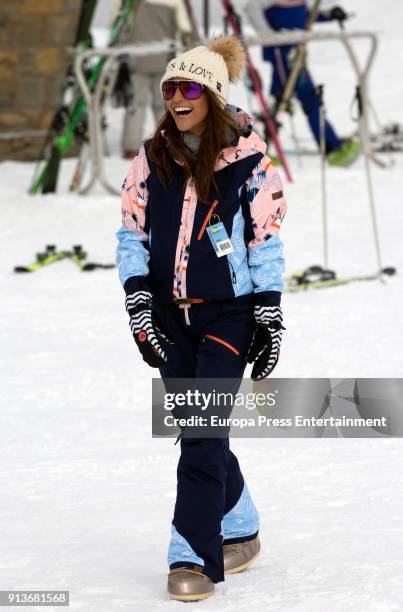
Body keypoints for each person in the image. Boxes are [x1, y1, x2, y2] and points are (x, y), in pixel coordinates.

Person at [116, 36, 287, 601]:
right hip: (169, 316)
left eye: (189, 87)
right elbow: (131, 233)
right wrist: (138, 298)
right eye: (170, 87)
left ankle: (191, 551)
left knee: (201, 430)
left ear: (212, 94)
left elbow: (265, 242)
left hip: (228, 314)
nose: (177, 98)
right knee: (201, 430)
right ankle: (239, 522)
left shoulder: (249, 163)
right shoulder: (152, 156)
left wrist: (269, 314)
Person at [244, 0, 359, 166]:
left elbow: (305, 13)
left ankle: (255, 151)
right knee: (308, 100)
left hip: (294, 55)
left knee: (278, 103)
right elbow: (252, 8)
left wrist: (329, 14)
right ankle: (332, 149)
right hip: (284, 55)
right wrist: (269, 35)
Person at [120, 0, 195, 159]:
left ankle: (130, 148)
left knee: (136, 105)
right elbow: (186, 31)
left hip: (137, 60)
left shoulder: (127, 3)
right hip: (163, 62)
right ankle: (169, 143)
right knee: (164, 106)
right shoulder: (174, 2)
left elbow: (119, 29)